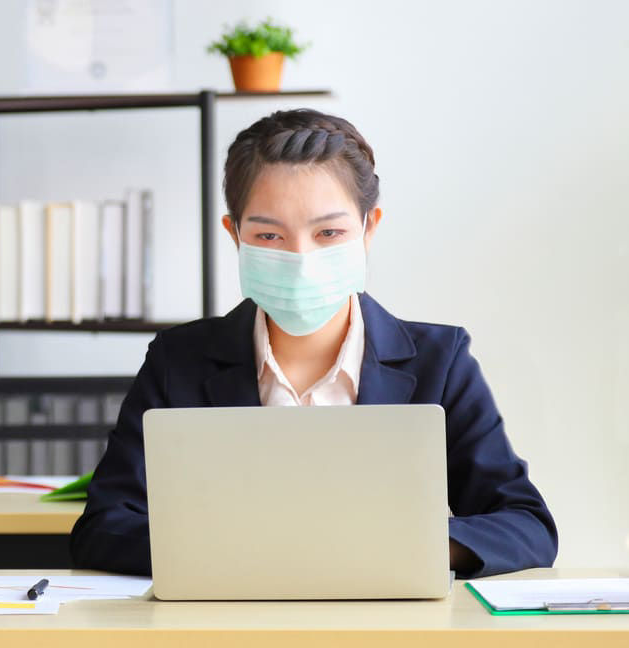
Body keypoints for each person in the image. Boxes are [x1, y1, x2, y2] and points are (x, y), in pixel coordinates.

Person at [69, 109, 557, 579]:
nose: (301, 257)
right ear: (234, 235)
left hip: (392, 641)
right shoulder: (180, 360)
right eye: (270, 235)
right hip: (224, 636)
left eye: (329, 232)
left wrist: (401, 548)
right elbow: (104, 526)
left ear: (369, 229)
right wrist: (255, 551)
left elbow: (526, 525)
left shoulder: (440, 360)